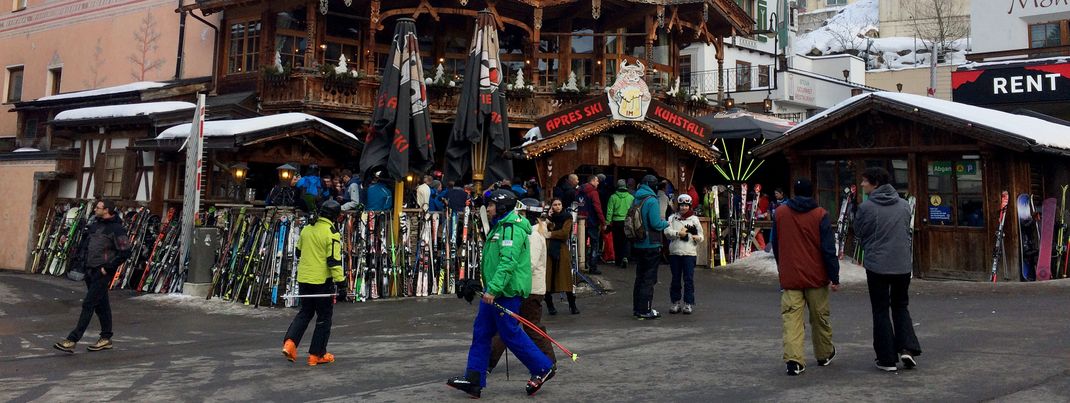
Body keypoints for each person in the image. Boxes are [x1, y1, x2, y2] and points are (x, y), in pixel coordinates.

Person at [446, 190, 556, 398]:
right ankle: (474, 378)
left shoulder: (511, 228)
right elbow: (494, 260)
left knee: (509, 333)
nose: (488, 208)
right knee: (481, 331)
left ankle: (542, 367)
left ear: (503, 206)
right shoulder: (500, 225)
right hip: (495, 290)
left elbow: (508, 262)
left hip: (506, 291)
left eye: (491, 205)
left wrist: (494, 289)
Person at [854, 167, 922, 372]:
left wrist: (869, 245)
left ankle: (886, 358)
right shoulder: (903, 205)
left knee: (881, 310)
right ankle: (907, 347)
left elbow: (859, 231)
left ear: (874, 183)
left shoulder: (866, 207)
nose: (862, 185)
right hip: (902, 264)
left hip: (877, 265)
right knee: (901, 306)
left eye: (865, 181)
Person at [771, 178, 840, 376]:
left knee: (791, 318)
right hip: (816, 276)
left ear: (793, 191)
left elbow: (776, 243)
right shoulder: (820, 215)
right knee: (819, 317)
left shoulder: (780, 213)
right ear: (812, 192)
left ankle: (794, 360)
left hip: (790, 275)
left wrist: (781, 265)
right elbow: (828, 249)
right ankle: (824, 353)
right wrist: (834, 276)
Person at [54, 200, 132, 353]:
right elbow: (86, 245)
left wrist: (108, 267)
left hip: (102, 272)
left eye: (98, 207)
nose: (95, 209)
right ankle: (106, 338)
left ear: (107, 210)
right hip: (90, 270)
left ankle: (72, 339)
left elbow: (125, 252)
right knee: (101, 305)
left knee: (88, 304)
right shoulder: (94, 225)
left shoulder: (117, 229)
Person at [489, 197, 556, 371]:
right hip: (528, 287)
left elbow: (529, 263)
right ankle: (489, 360)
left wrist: (508, 277)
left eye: (521, 213)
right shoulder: (532, 231)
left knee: (529, 327)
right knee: (507, 328)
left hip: (530, 289)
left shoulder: (532, 234)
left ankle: (548, 362)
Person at [282, 200, 348, 366]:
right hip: (321, 281)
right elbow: (333, 261)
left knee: (305, 312)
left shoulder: (307, 229)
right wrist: (342, 284)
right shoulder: (331, 233)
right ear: (335, 216)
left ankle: (290, 343)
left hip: (304, 278)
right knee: (324, 317)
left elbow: (298, 252)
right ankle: (317, 354)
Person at [632, 175, 670, 319]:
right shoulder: (652, 200)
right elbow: (655, 224)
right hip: (651, 244)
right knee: (649, 279)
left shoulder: (636, 198)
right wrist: (666, 223)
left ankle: (637, 308)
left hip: (638, 242)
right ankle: (645, 309)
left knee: (640, 277)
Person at [665, 194, 703, 314]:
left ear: (690, 206)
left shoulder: (694, 219)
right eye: (682, 205)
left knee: (688, 279)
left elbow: (701, 236)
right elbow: (667, 232)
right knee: (675, 279)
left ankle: (688, 303)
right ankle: (675, 302)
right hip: (675, 252)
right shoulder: (672, 218)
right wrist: (678, 234)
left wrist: (697, 238)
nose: (684, 208)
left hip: (689, 253)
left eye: (686, 205)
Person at [544, 198, 579, 315]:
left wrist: (551, 234)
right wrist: (548, 217)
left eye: (559, 204)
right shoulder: (550, 217)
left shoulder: (567, 217)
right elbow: (542, 228)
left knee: (565, 278)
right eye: (555, 205)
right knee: (548, 278)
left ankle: (572, 305)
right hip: (549, 249)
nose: (557, 206)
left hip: (561, 249)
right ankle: (550, 305)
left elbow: (564, 234)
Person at [577, 174, 606, 274]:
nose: (598, 183)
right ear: (592, 181)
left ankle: (581, 263)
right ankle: (593, 267)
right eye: (597, 181)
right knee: (594, 245)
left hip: (580, 221)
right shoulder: (593, 193)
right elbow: (597, 208)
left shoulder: (579, 191)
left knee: (581, 244)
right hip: (592, 221)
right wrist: (603, 221)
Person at [606, 179, 635, 268]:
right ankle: (625, 257)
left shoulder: (613, 197)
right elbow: (634, 210)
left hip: (616, 221)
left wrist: (608, 222)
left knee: (617, 241)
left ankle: (618, 260)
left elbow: (609, 211)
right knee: (626, 240)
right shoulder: (631, 197)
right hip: (627, 221)